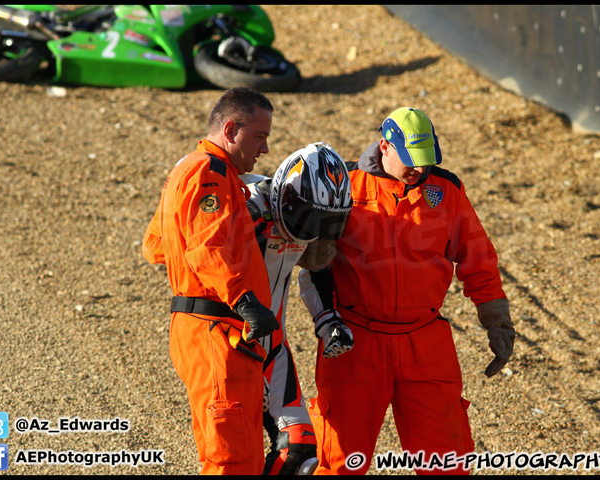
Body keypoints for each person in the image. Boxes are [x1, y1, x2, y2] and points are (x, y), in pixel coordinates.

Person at [298, 107, 516, 475]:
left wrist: (497, 321)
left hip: (426, 343)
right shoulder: (343, 184)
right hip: (355, 341)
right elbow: (308, 267)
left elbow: (478, 260)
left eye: (426, 160)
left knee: (447, 462)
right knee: (338, 462)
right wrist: (324, 321)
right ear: (385, 146)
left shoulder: (447, 191)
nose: (420, 168)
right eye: (412, 159)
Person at [142, 87, 281, 475]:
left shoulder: (188, 168)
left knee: (242, 452)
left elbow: (156, 245)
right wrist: (246, 301)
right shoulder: (210, 173)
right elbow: (206, 248)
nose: (265, 150)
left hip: (205, 328)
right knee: (231, 459)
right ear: (231, 129)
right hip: (216, 330)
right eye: (260, 137)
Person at [241, 142, 355, 475]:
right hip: (229, 345)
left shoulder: (306, 216)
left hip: (274, 348)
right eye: (310, 219)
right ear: (286, 198)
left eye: (328, 223)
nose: (316, 233)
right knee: (235, 458)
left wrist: (329, 320)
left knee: (301, 452)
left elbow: (317, 269)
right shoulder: (247, 207)